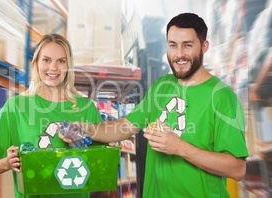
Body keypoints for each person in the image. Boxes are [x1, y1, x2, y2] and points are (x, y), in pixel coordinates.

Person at [60, 13, 249, 197]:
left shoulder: (223, 96)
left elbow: (237, 168)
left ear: (204, 46)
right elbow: (124, 126)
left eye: (188, 45)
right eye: (173, 45)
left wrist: (180, 148)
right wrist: (86, 129)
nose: (179, 54)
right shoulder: (162, 86)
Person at [0, 34, 103, 198]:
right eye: (46, 60)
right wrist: (7, 162)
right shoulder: (14, 108)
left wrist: (82, 143)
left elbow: (104, 163)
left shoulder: (86, 108)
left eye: (61, 61)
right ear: (36, 63)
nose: (53, 68)